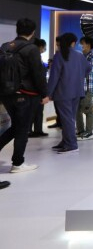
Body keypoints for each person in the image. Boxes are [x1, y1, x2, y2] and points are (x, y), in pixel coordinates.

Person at [0, 18, 47, 173]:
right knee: (22, 129)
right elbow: (38, 74)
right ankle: (18, 163)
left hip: (6, 94)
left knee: (16, 127)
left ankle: (17, 162)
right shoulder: (31, 49)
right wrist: (45, 94)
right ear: (33, 32)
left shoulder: (5, 46)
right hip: (26, 95)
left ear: (17, 29)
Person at [45, 33, 90, 154]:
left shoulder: (59, 55)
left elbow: (54, 77)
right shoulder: (79, 55)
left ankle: (71, 144)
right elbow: (88, 68)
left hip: (63, 92)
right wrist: (79, 76)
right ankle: (66, 141)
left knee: (66, 119)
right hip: (77, 91)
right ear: (73, 43)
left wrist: (48, 93)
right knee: (70, 119)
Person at [76, 36, 93, 140]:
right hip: (79, 88)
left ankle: (89, 132)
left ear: (88, 45)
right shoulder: (81, 56)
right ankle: (80, 131)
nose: (80, 45)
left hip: (88, 88)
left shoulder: (91, 56)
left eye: (82, 43)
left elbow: (87, 72)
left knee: (88, 109)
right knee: (77, 110)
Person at [29, 38, 49, 138]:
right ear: (41, 46)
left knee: (39, 111)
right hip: (34, 89)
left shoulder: (38, 56)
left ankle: (38, 130)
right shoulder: (34, 56)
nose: (44, 49)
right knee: (32, 111)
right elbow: (37, 74)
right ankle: (29, 130)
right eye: (44, 47)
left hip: (38, 89)